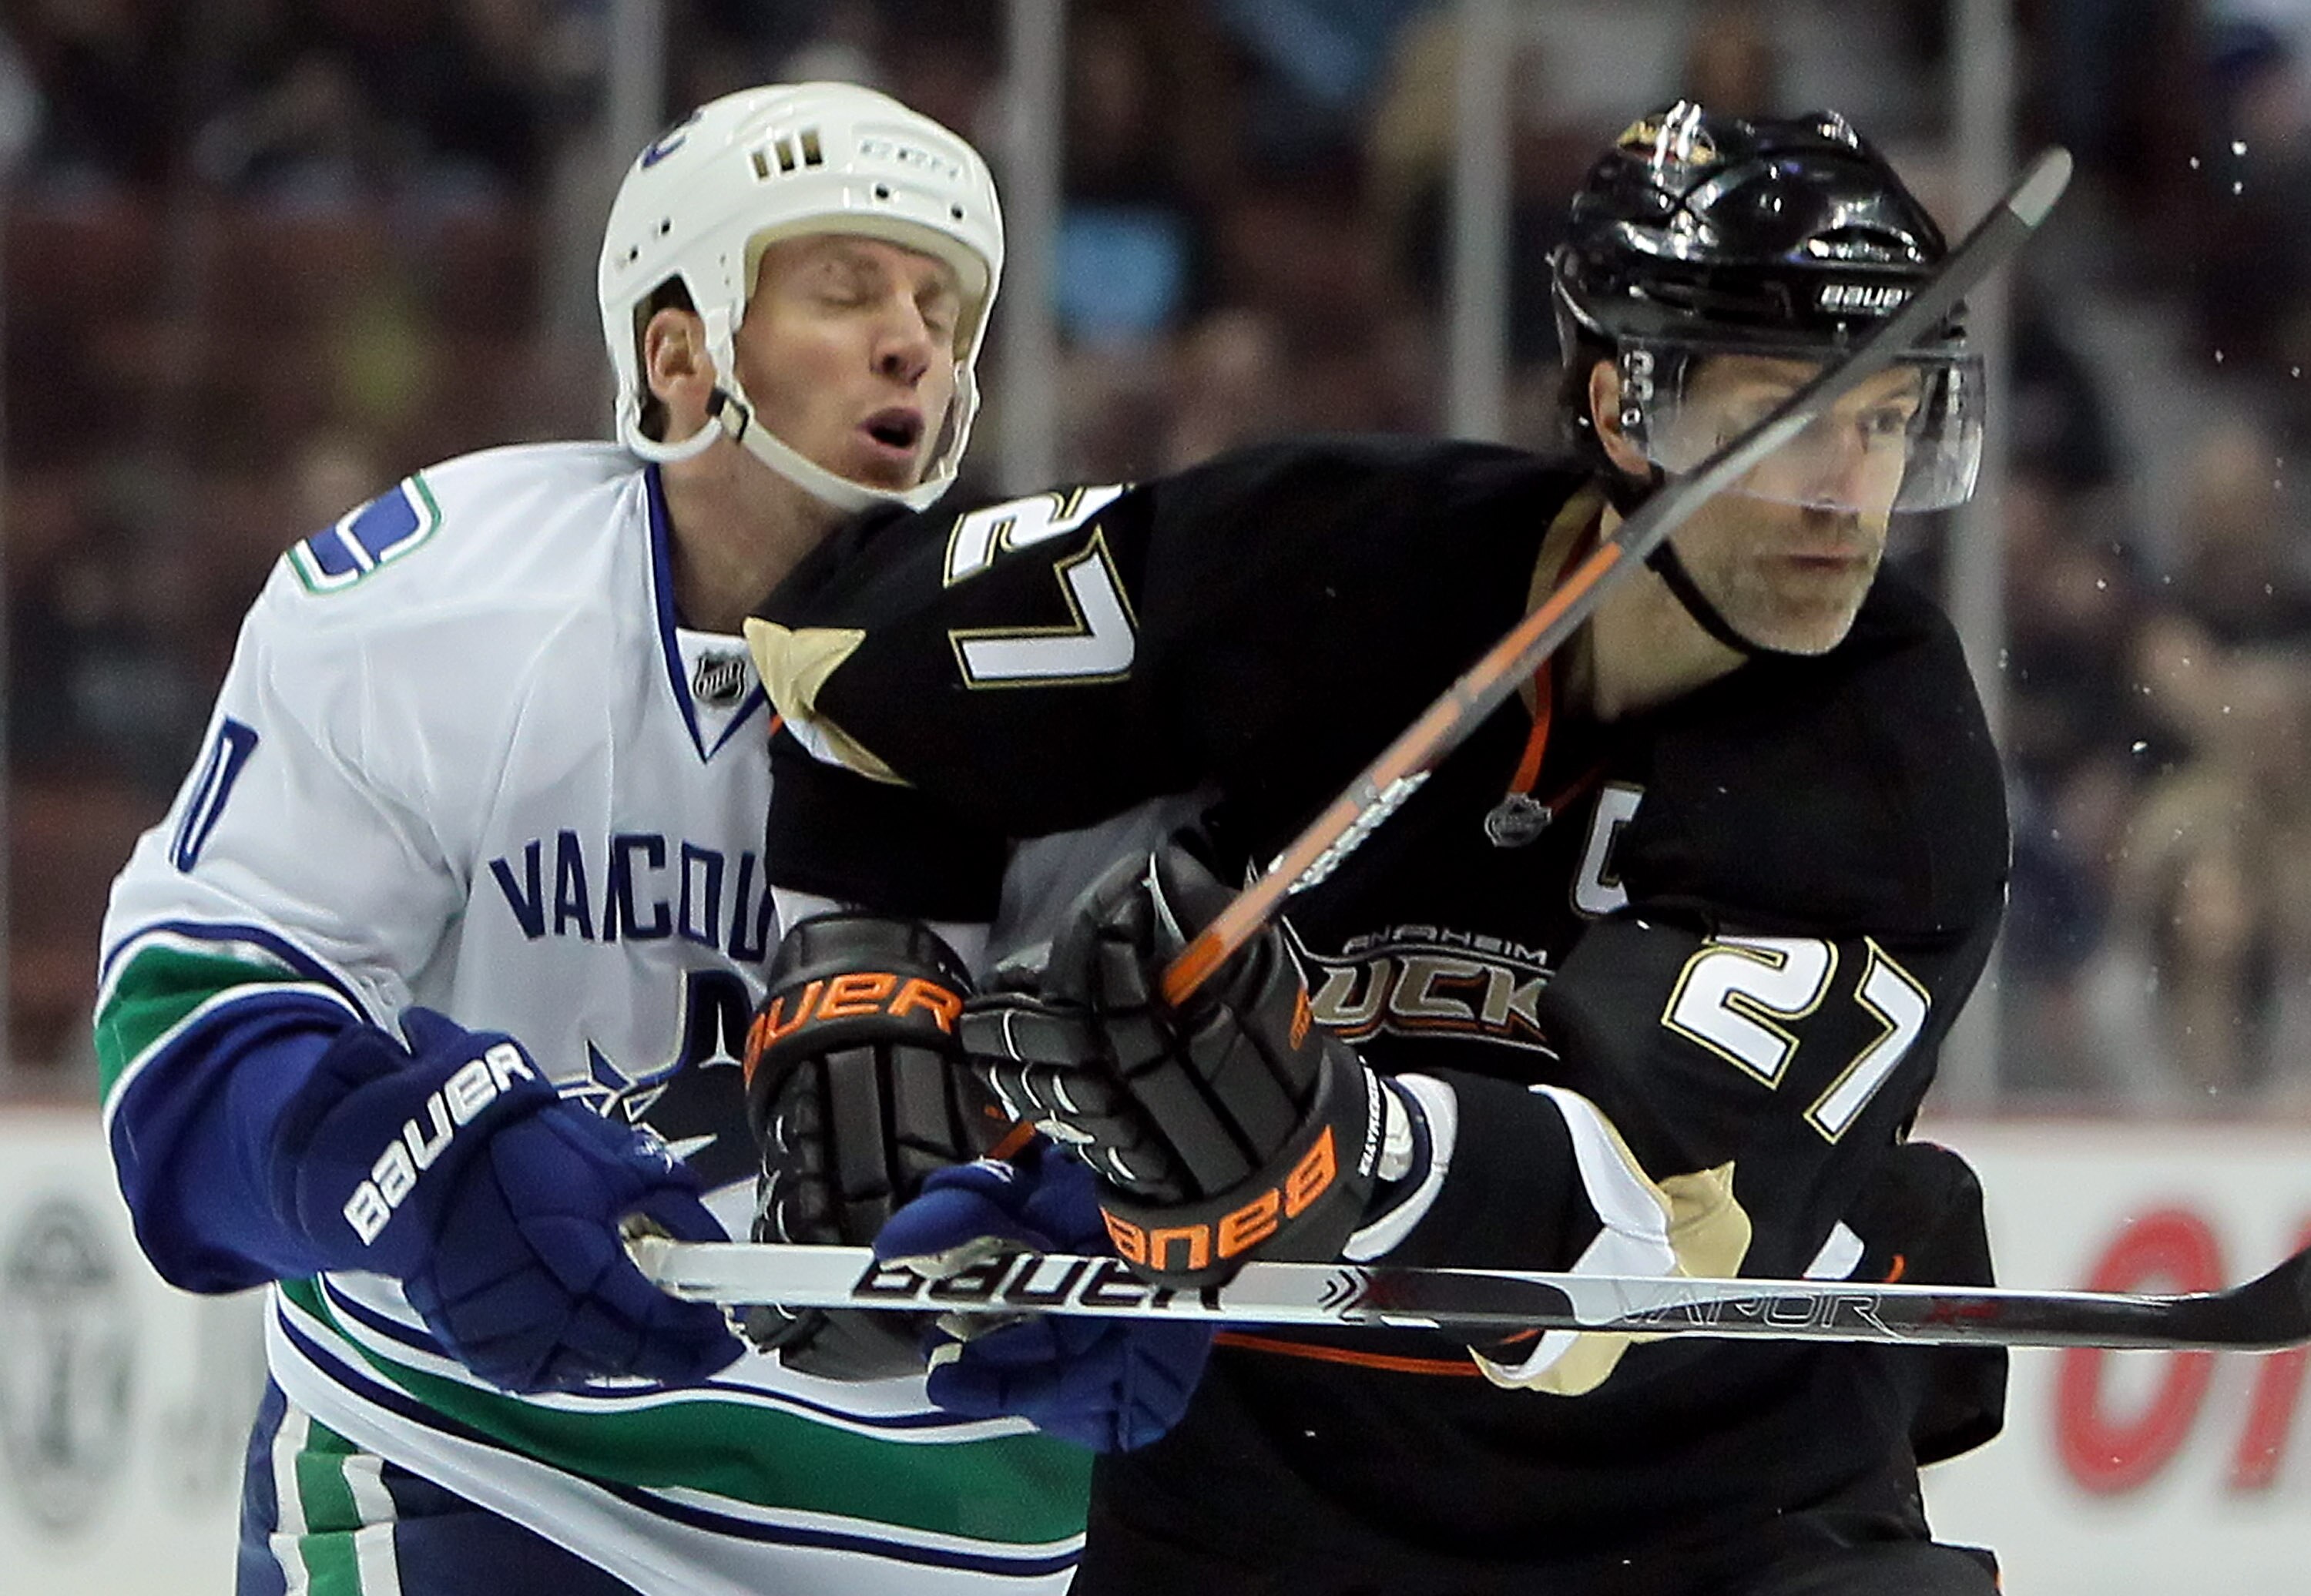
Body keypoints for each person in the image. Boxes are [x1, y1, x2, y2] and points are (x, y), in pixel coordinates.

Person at [742, 103, 2014, 1594]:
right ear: (1623, 407)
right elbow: (848, 668)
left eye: (1887, 422)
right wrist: (869, 968)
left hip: (1724, 1517)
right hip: (1257, 1503)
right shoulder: (1332, 561)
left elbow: (1644, 1225)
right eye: (1788, 417)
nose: (1848, 497)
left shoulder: (1899, 772)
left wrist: (1340, 1142)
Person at [95, 82, 1098, 1594]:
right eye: (846, 288)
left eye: (942, 303)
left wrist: (1139, 1240)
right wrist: (403, 1171)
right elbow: (185, 1051)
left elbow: (1201, 1082)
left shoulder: (1085, 679)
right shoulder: (439, 603)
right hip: (481, 1454)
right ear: (678, 350)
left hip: (936, 1519)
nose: (917, 341)